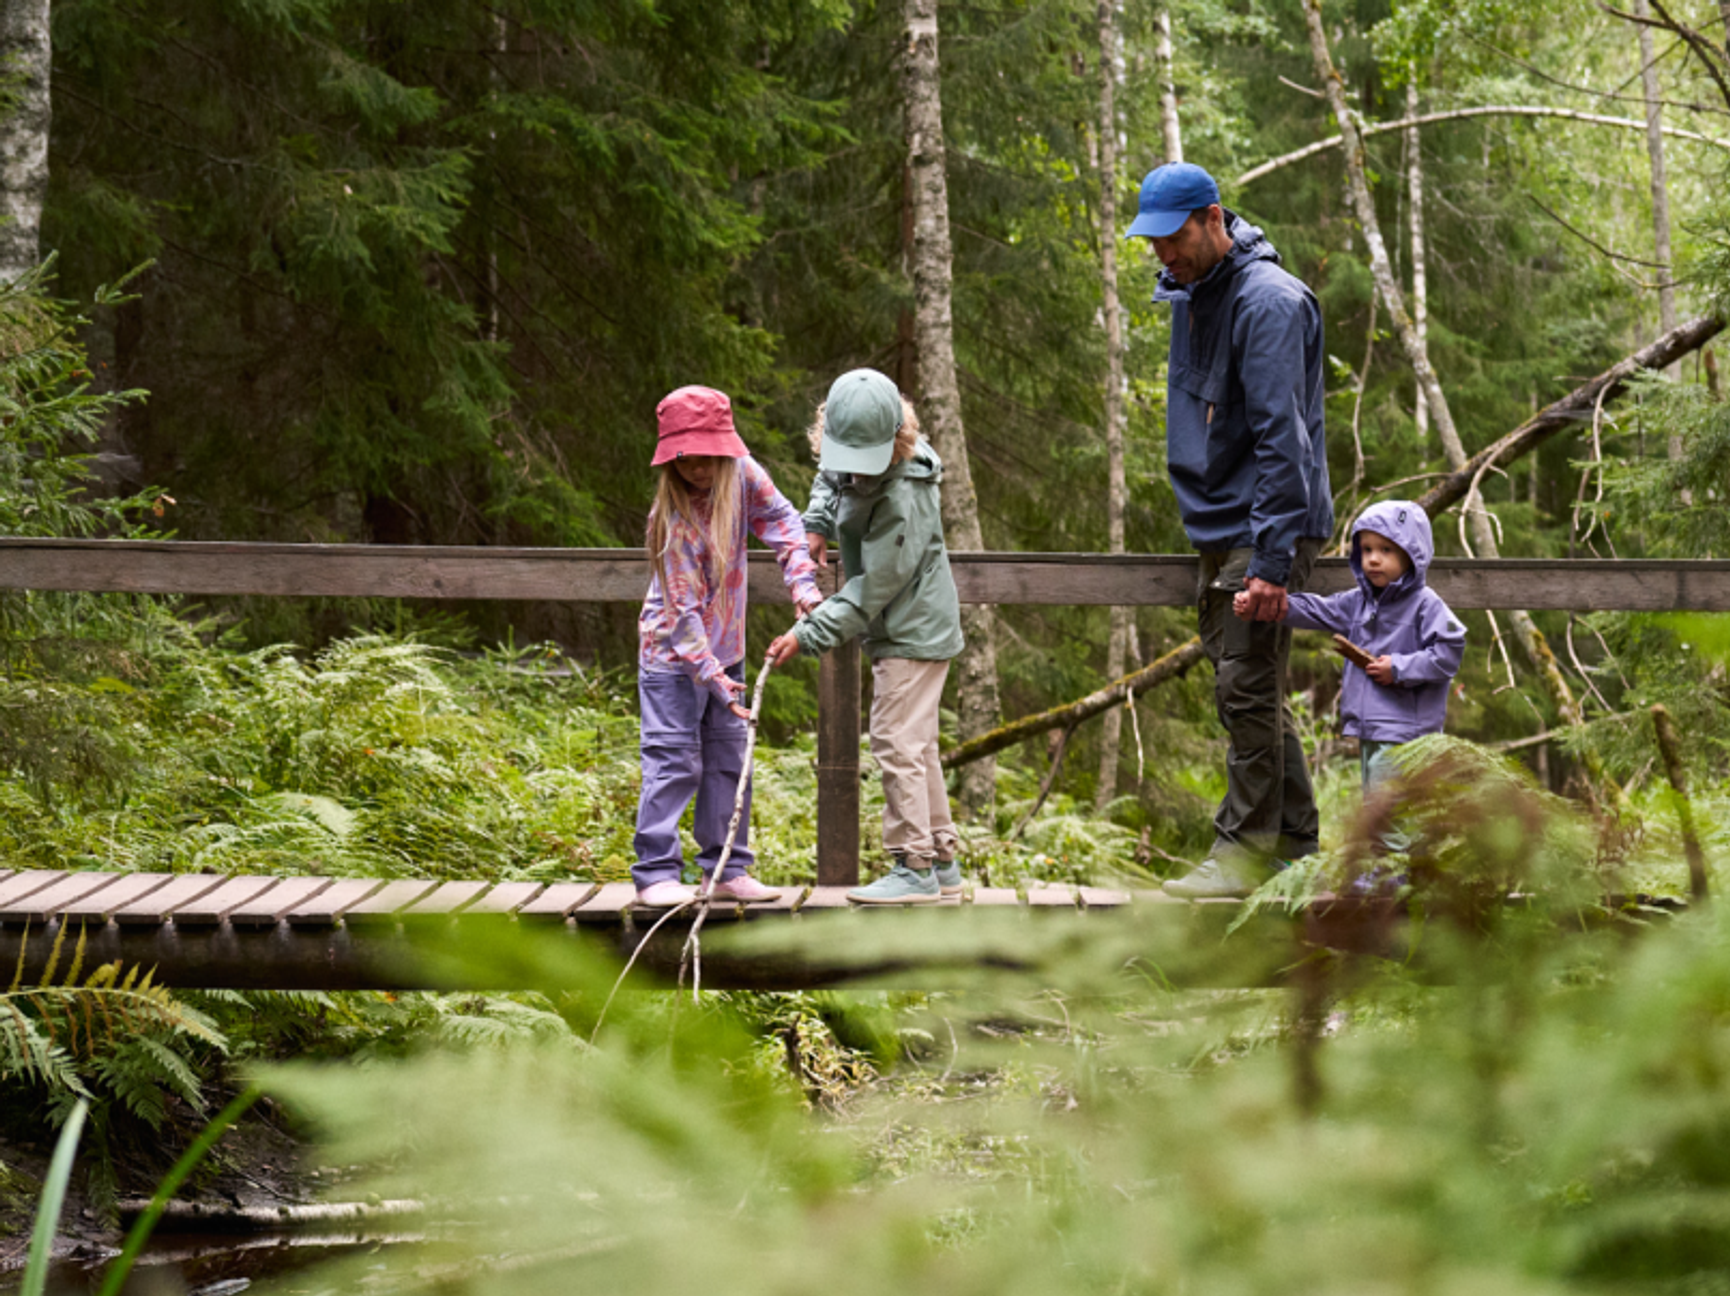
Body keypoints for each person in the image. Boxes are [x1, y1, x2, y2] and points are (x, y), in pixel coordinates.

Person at [1127, 161, 1334, 899]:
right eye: (1152, 242)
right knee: (1248, 689)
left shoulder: (1268, 303)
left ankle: (1242, 856)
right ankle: (1298, 850)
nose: (1163, 254)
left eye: (1174, 237)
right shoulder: (1194, 293)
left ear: (1214, 218)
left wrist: (1272, 564)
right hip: (1224, 522)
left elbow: (1285, 439)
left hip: (1265, 522)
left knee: (1246, 686)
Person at [765, 368, 965, 905]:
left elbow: (869, 590)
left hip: (911, 631)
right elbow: (831, 479)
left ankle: (913, 866)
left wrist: (806, 633)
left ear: (894, 442)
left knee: (894, 742)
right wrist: (816, 526)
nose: (853, 468)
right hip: (906, 627)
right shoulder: (852, 460)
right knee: (917, 745)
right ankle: (942, 861)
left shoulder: (905, 499)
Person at [633, 385, 823, 908]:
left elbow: (785, 522)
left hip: (728, 648)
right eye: (686, 458)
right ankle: (654, 873)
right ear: (671, 458)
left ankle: (725, 870)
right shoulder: (671, 522)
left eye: (706, 455)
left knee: (728, 760)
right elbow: (683, 616)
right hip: (675, 658)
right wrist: (713, 678)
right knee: (674, 760)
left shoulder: (742, 475)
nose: (698, 467)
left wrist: (802, 585)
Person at [1236, 500, 1466, 860]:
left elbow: (1449, 651)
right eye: (1367, 549)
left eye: (1386, 550)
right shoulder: (1360, 602)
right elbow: (1318, 609)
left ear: (1412, 554)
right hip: (1371, 726)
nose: (1373, 559)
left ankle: (1395, 876)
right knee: (1376, 802)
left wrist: (1400, 668)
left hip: (1407, 731)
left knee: (1390, 805)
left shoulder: (1426, 604)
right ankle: (1389, 872)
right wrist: (1268, 605)